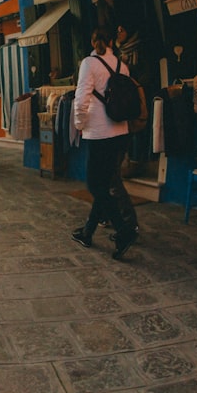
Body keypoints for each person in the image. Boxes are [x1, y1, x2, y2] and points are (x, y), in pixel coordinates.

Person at [71, 27, 139, 260]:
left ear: (93, 41)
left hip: (99, 133)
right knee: (105, 183)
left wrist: (79, 125)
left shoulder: (89, 64)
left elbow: (81, 99)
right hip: (120, 131)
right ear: (111, 41)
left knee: (95, 186)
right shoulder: (122, 65)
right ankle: (88, 232)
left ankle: (124, 230)